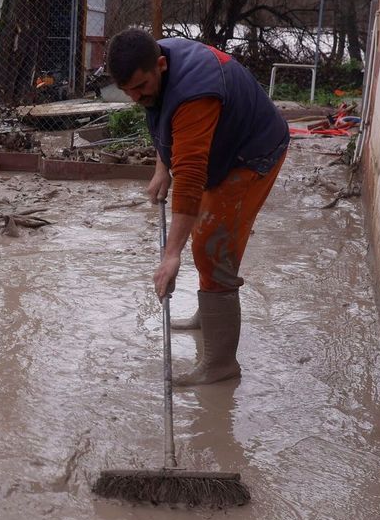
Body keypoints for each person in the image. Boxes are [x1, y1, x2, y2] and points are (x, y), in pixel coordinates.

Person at [107, 28, 289, 384]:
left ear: (160, 65)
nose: (135, 97)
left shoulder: (194, 93)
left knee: (213, 242)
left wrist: (171, 254)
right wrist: (162, 167)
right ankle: (208, 317)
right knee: (205, 235)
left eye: (140, 87)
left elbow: (190, 178)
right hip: (227, 143)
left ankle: (221, 365)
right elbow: (161, 119)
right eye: (127, 91)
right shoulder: (156, 73)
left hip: (253, 152)